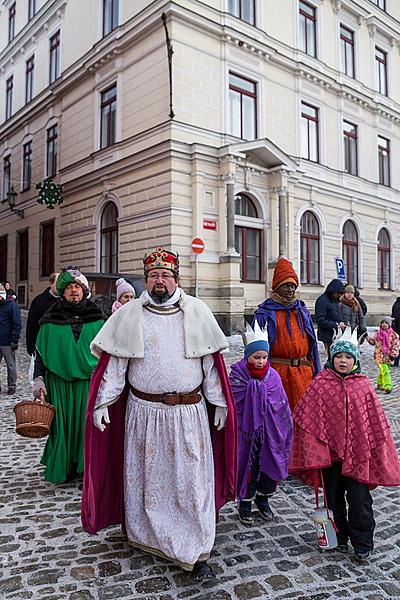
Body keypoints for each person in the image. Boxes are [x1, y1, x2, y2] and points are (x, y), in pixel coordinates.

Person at [81, 247, 237, 580]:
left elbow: (210, 366)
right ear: (146, 280)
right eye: (153, 276)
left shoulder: (196, 311)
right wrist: (103, 402)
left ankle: (194, 546)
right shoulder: (129, 314)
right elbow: (116, 366)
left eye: (166, 275)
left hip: (188, 416)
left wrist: (220, 401)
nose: (159, 281)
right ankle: (146, 536)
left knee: (190, 482)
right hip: (144, 415)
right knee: (149, 481)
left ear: (176, 279)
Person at [289, 327, 400, 560]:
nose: (343, 360)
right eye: (339, 356)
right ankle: (338, 538)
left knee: (360, 501)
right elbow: (306, 418)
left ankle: (362, 543)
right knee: (333, 497)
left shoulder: (363, 385)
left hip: (359, 456)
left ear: (355, 360)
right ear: (332, 358)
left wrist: (373, 449)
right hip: (330, 457)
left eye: (348, 357)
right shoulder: (321, 383)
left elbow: (375, 422)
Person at [32, 267, 105, 483]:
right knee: (62, 427)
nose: (74, 291)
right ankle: (64, 468)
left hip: (88, 384)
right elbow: (41, 354)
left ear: (84, 291)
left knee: (86, 428)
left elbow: (109, 354)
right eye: (69, 287)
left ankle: (84, 468)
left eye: (78, 287)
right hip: (59, 384)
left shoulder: (99, 318)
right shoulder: (49, 320)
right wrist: (39, 379)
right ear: (62, 292)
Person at [229, 322, 292, 525]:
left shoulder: (273, 376)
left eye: (264, 357)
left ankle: (263, 499)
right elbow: (233, 401)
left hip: (270, 433)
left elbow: (280, 404)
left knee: (267, 466)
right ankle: (245, 502)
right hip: (245, 433)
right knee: (247, 467)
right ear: (247, 356)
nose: (261, 361)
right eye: (256, 357)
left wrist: (280, 427)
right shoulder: (238, 375)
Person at [252, 257, 321, 411]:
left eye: (292, 286)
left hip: (304, 375)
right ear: (276, 288)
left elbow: (313, 346)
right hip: (278, 375)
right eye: (285, 286)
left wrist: (317, 372)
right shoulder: (264, 314)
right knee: (280, 418)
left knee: (305, 416)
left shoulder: (301, 311)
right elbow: (256, 350)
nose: (290, 290)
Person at [26, 272, 59, 356]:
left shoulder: (65, 300)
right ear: (51, 283)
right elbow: (31, 325)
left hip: (60, 346)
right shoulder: (39, 301)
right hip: (43, 345)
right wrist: (31, 346)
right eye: (57, 283)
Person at [366, 318, 400, 394]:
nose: (384, 324)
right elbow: (373, 342)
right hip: (379, 355)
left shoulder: (394, 335)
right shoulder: (378, 334)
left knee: (383, 370)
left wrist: (393, 354)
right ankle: (388, 386)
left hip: (388, 356)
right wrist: (367, 338)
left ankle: (380, 383)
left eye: (386, 323)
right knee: (385, 371)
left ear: (389, 324)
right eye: (382, 323)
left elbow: (396, 345)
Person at [315, 278, 346, 356]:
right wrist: (337, 325)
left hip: (336, 334)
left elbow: (336, 315)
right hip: (327, 335)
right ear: (333, 291)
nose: (339, 295)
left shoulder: (335, 300)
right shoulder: (322, 300)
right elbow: (320, 320)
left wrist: (341, 323)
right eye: (338, 293)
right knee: (330, 357)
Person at [0, 283, 21, 394]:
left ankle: (12, 385)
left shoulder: (12, 306)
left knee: (11, 365)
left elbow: (17, 323)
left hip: (7, 342)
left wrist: (14, 340)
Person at [391, 296, 400, 366]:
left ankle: (396, 361)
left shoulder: (396, 303)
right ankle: (396, 361)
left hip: (396, 328)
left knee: (396, 344)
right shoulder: (397, 304)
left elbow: (393, 315)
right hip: (397, 327)